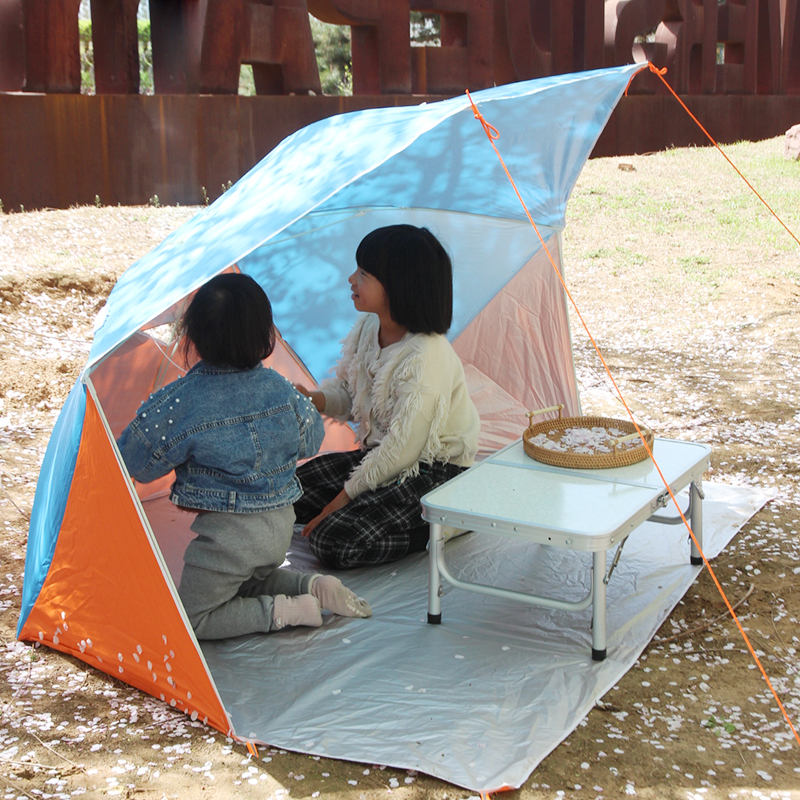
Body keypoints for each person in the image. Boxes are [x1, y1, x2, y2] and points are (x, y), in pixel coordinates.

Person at [117, 273, 372, 639]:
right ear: (265, 334)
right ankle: (312, 586)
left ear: (194, 335)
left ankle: (285, 611)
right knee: (248, 579)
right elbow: (312, 439)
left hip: (228, 538)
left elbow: (136, 461)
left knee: (192, 618)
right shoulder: (280, 387)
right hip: (280, 525)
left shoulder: (182, 400)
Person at [295, 224, 480, 569]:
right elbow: (353, 395)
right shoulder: (369, 328)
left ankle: (446, 522)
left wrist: (342, 499)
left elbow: (404, 450)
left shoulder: (426, 354)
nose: (351, 278)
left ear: (399, 286)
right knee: (287, 492)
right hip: (381, 456)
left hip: (431, 471)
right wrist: (314, 399)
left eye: (364, 273)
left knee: (333, 539)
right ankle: (374, 505)